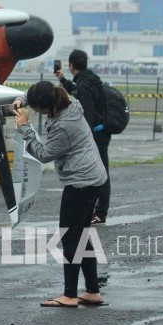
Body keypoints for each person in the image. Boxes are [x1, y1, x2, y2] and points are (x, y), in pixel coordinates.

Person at [13, 81, 108, 308]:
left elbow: (44, 154)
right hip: (93, 177)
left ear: (45, 107)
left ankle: (70, 295)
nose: (35, 112)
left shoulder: (64, 126)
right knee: (81, 235)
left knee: (70, 237)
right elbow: (38, 92)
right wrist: (22, 99)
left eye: (36, 108)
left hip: (81, 183)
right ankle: (93, 291)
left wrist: (25, 128)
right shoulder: (70, 102)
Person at [55, 49, 111, 225]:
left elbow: (88, 113)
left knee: (99, 173)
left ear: (71, 65)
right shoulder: (89, 79)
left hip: (96, 134)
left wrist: (82, 135)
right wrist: (62, 80)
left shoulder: (85, 83)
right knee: (101, 171)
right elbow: (76, 92)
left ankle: (100, 213)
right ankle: (98, 211)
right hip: (101, 131)